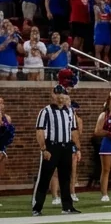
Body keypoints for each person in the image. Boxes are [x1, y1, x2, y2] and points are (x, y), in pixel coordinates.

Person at [32, 85, 79, 215]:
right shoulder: (45, 111)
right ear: (53, 95)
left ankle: (67, 207)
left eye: (62, 95)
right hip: (51, 147)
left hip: (66, 147)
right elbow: (40, 130)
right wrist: (43, 148)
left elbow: (73, 130)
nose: (60, 97)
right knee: (45, 178)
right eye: (57, 94)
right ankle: (37, 207)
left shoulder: (70, 111)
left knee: (65, 178)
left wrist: (77, 148)